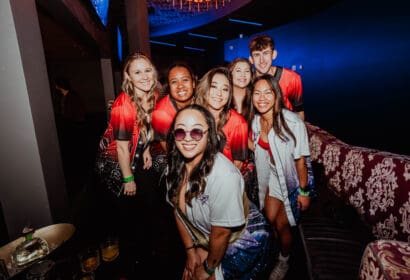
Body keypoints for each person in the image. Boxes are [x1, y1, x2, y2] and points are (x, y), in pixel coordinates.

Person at [165, 104, 271, 280]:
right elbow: (177, 210)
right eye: (180, 132)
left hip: (243, 243)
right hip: (210, 237)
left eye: (197, 132)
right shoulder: (174, 167)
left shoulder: (224, 175)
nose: (188, 138)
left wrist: (207, 269)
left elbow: (222, 233)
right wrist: (191, 252)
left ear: (209, 136)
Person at [94, 52, 158, 274]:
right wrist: (128, 178)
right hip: (116, 164)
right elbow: (122, 147)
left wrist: (147, 149)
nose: (144, 76)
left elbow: (145, 129)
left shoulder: (152, 96)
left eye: (147, 70)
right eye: (137, 72)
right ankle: (130, 265)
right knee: (127, 215)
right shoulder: (124, 104)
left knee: (146, 205)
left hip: (136, 155)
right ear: (128, 77)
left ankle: (145, 254)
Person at [250, 74, 313, 280]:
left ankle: (284, 260)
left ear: (276, 95)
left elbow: (300, 161)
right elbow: (257, 147)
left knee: (282, 225)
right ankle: (280, 247)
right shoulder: (256, 122)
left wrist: (304, 192)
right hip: (271, 178)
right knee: (269, 217)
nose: (262, 98)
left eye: (268, 92)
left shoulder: (292, 122)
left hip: (292, 180)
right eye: (257, 93)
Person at [194, 67, 248, 171]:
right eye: (214, 86)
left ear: (229, 94)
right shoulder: (194, 115)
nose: (219, 93)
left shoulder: (237, 122)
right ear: (205, 88)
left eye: (225, 89)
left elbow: (237, 165)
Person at [227, 58, 260, 208]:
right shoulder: (222, 97)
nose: (242, 75)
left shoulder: (256, 98)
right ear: (230, 74)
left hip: (253, 157)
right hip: (228, 155)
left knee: (250, 201)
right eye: (238, 71)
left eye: (247, 71)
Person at [249, 34, 305, 121]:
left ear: (274, 54)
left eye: (266, 53)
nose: (262, 60)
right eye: (257, 55)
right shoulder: (247, 81)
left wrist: (298, 133)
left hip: (286, 128)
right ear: (251, 59)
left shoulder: (292, 78)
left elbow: (299, 111)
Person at [54, 77, 87, 199]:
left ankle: (79, 175)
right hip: (70, 127)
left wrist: (71, 123)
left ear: (59, 85)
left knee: (76, 150)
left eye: (56, 85)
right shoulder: (64, 97)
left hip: (76, 127)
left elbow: (77, 114)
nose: (55, 87)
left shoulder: (72, 97)